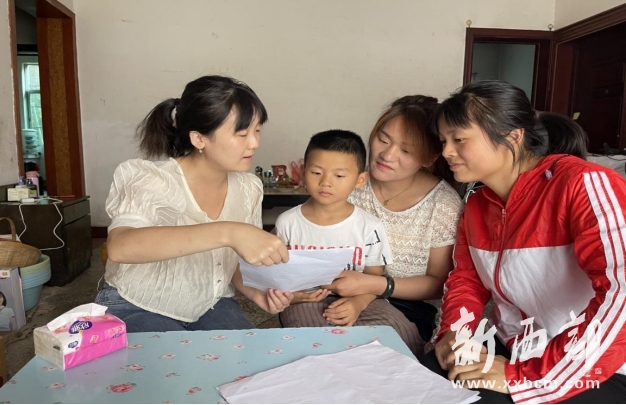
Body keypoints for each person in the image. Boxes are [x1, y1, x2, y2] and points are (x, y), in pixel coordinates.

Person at [423, 80, 626, 404]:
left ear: (513, 136)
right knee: (422, 381)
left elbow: (621, 295)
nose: (446, 151)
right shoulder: (477, 206)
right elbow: (467, 279)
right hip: (516, 346)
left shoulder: (583, 184)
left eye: (458, 139)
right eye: (444, 140)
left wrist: (524, 378)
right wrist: (454, 332)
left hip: (597, 362)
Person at [96, 75, 293, 333]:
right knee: (177, 359)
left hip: (210, 304)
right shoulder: (153, 179)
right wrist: (230, 232)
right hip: (138, 303)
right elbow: (121, 247)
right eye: (242, 133)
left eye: (257, 130)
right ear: (199, 139)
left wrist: (255, 292)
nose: (254, 143)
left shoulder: (248, 188)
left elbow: (230, 260)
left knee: (251, 357)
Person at [322, 95, 464, 343]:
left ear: (430, 158)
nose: (387, 155)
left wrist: (372, 286)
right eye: (383, 139)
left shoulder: (443, 205)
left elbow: (439, 283)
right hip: (336, 293)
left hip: (405, 306)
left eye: (406, 150)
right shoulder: (350, 183)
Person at [276, 130, 424, 357]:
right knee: (314, 340)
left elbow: (374, 280)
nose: (326, 182)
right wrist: (291, 297)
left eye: (339, 175)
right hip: (305, 301)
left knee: (401, 331)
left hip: (361, 298)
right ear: (303, 172)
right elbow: (278, 276)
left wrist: (358, 304)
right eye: (316, 172)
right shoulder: (288, 223)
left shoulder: (369, 226)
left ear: (360, 180)